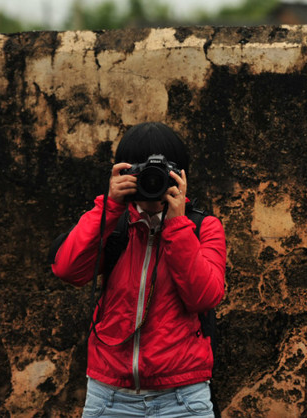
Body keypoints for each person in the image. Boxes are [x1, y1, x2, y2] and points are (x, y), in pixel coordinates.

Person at [52, 122, 226, 417]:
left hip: (182, 397)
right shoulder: (113, 222)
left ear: (180, 175)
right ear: (123, 171)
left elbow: (204, 298)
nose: (151, 180)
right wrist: (108, 208)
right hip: (110, 395)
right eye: (141, 170)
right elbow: (68, 270)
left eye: (160, 172)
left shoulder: (202, 227)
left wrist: (176, 226)